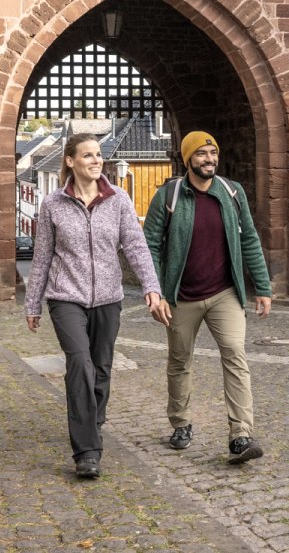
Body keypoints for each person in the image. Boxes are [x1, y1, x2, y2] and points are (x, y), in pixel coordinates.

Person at [24, 133, 169, 480]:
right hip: (66, 297)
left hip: (108, 298)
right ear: (70, 161)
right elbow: (42, 257)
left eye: (98, 155)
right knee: (79, 364)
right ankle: (87, 451)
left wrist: (151, 286)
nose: (96, 160)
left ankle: (93, 419)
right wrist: (33, 303)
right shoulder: (52, 205)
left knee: (101, 368)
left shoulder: (118, 199)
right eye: (87, 155)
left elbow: (135, 246)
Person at [143, 130, 272, 464]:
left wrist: (262, 287)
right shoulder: (169, 195)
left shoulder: (232, 192)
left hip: (224, 292)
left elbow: (250, 240)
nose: (209, 159)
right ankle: (181, 423)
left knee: (234, 353)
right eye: (201, 154)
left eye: (213, 153)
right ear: (188, 159)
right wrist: (157, 293)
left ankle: (241, 435)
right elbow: (150, 245)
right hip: (181, 296)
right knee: (180, 360)